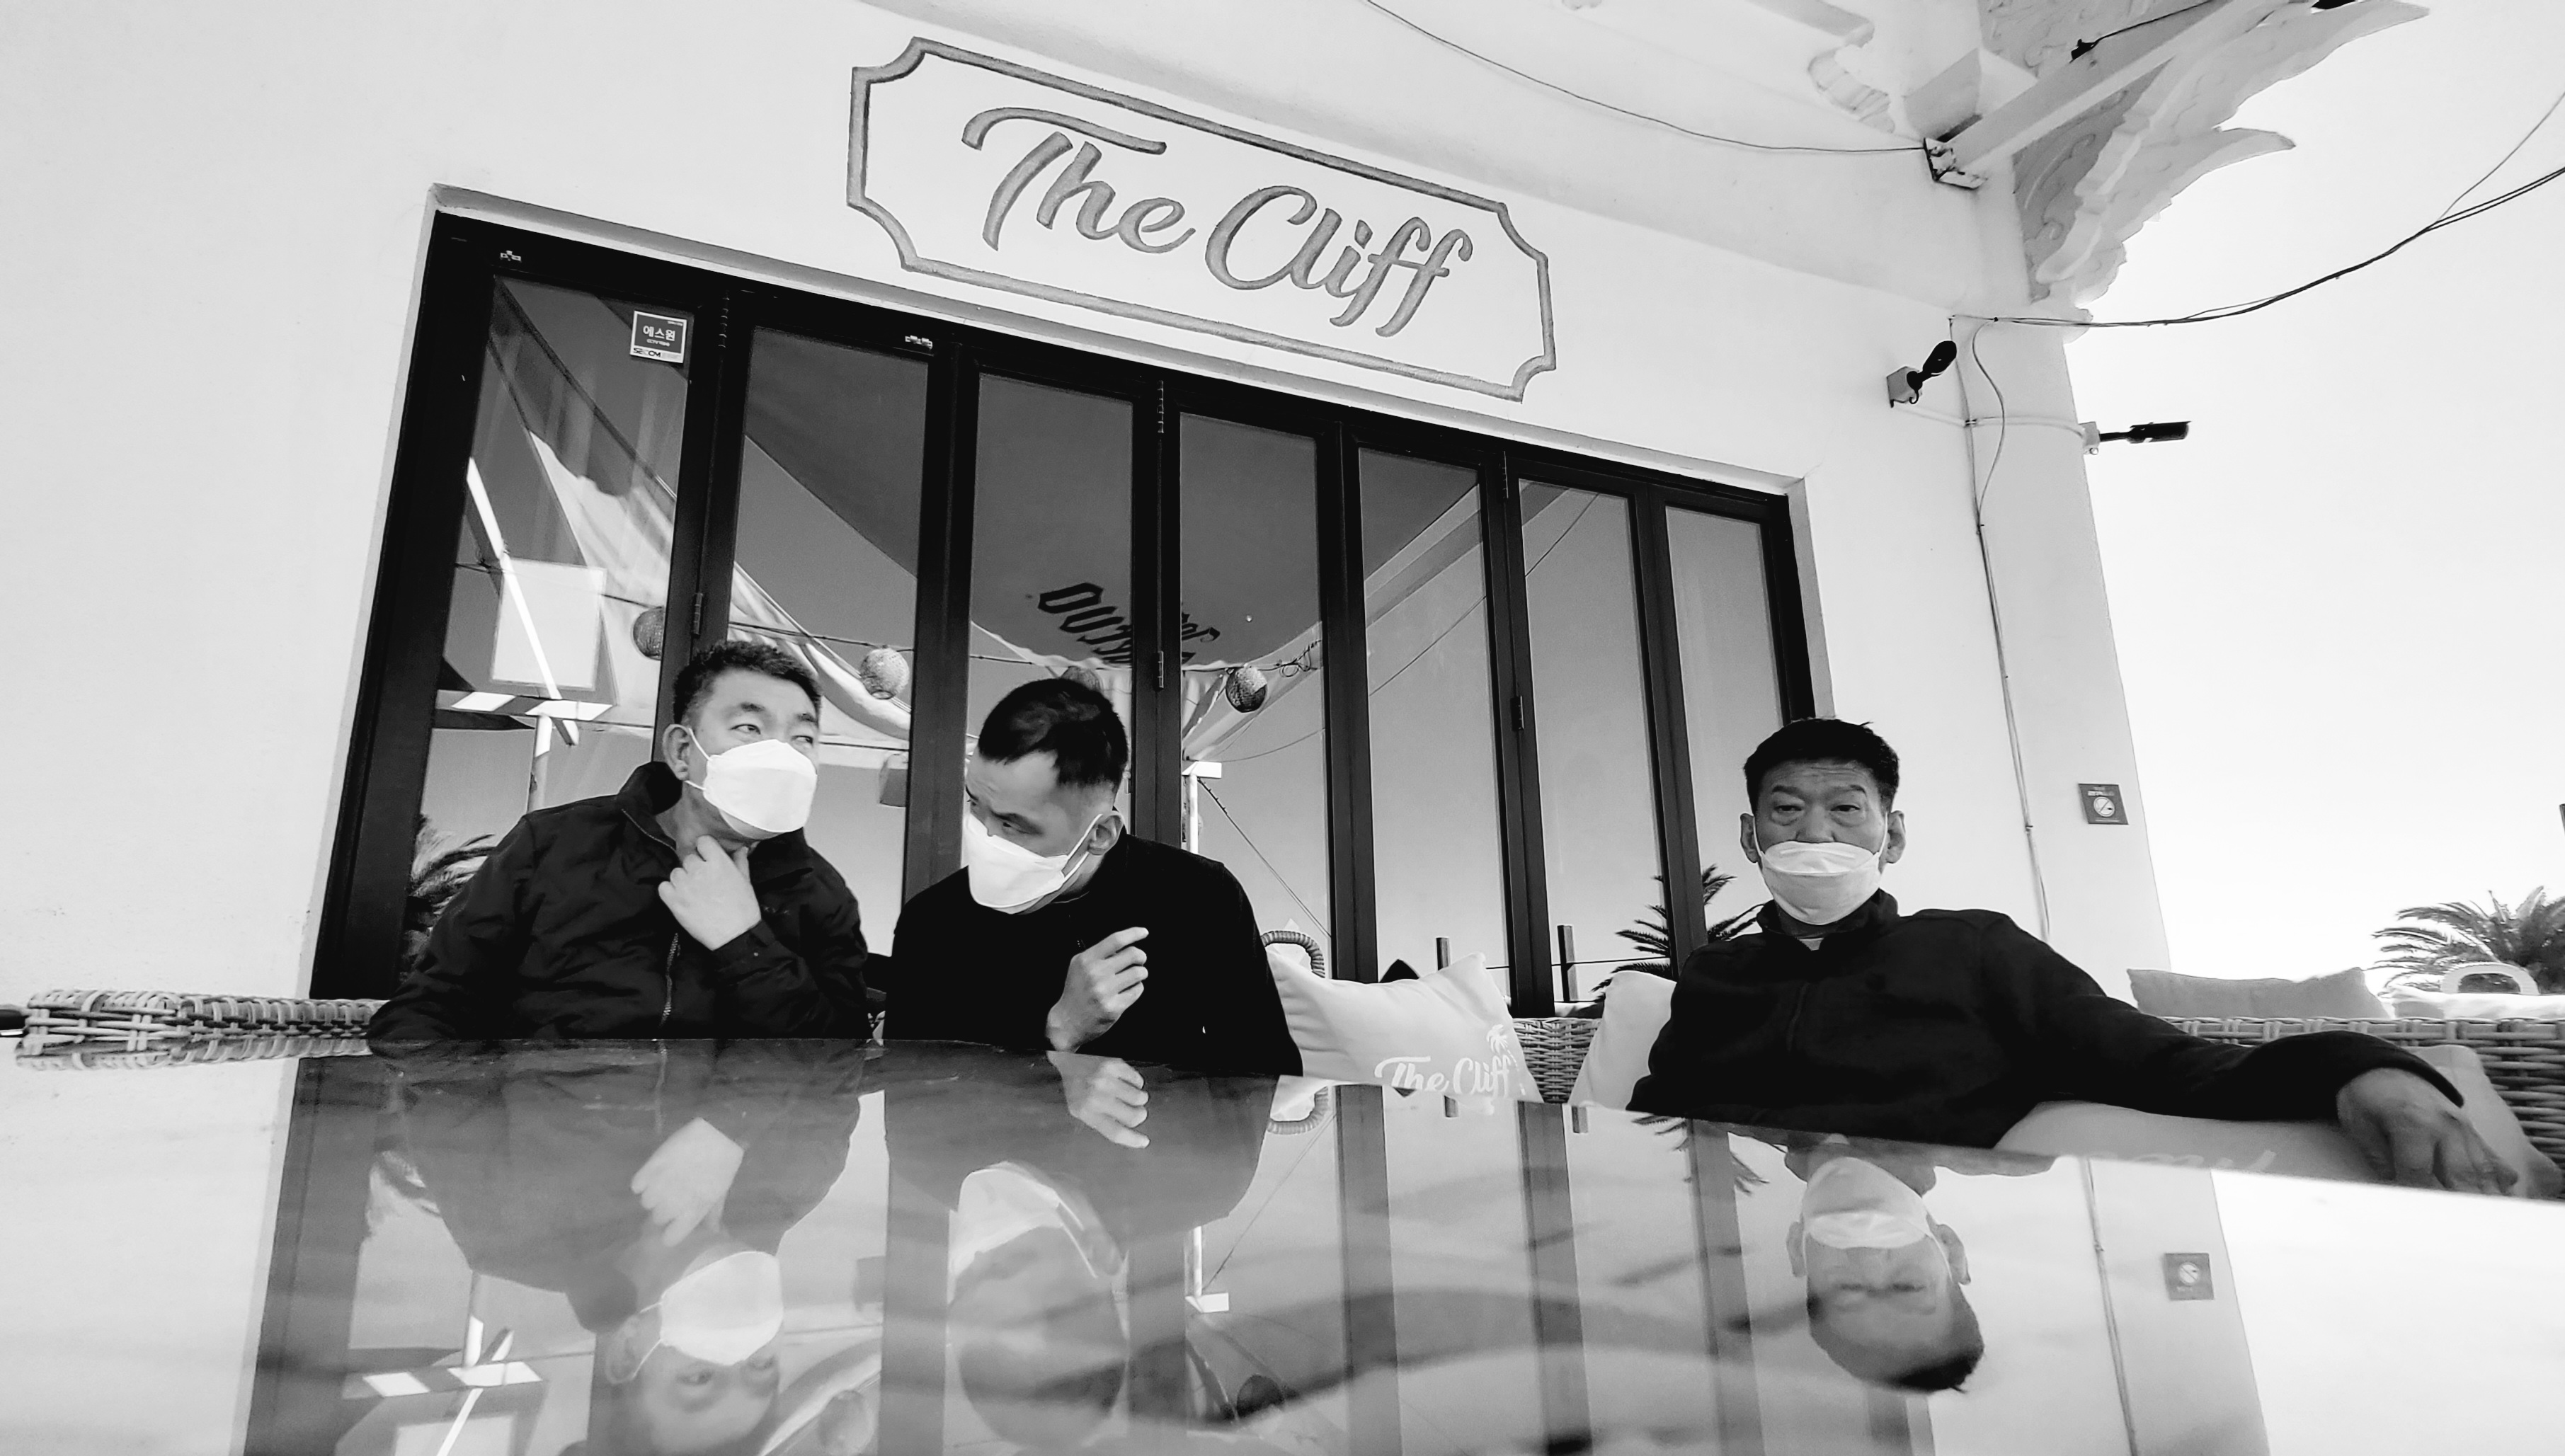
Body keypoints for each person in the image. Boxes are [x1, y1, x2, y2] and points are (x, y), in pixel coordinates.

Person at [1630, 718, 2516, 1195]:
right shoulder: (1715, 974)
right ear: (1749, 836)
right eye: (1786, 810)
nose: (1815, 833)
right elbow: (1653, 1118)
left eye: (1845, 809)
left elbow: (2156, 1058)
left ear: (1891, 836)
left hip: (1940, 1197)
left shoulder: (1972, 947)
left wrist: (2365, 1068)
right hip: (1732, 1232)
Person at [370, 640, 873, 1040]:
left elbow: (839, 1057)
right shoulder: (552, 845)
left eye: (803, 738)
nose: (782, 754)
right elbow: (430, 1012)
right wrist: (485, 1138)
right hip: (542, 1132)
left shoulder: (820, 894)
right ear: (683, 751)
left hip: (723, 1141)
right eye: (749, 727)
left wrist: (744, 942)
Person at [889, 677, 1300, 1075]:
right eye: (975, 805)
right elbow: (908, 1091)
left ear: (1100, 834)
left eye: (1013, 824)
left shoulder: (1201, 896)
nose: (984, 837)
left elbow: (1266, 1070)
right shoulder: (933, 920)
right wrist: (1055, 1032)